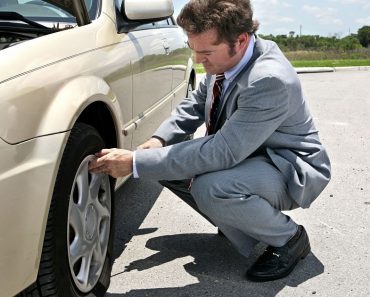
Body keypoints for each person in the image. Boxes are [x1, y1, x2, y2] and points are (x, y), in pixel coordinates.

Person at [89, 0, 331, 281]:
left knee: (211, 188)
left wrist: (135, 162)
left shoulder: (268, 80)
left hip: (287, 166)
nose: (199, 60)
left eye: (205, 53)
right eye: (195, 51)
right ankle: (240, 219)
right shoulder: (228, 60)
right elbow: (196, 103)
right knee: (165, 164)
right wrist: (158, 140)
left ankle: (289, 238)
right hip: (251, 154)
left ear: (240, 40)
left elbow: (223, 151)